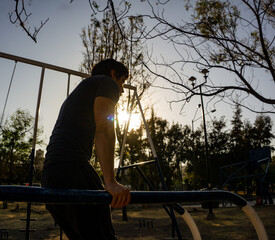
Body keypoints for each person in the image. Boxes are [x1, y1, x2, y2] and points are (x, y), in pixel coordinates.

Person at [41, 59, 131, 240]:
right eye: (122, 82)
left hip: (51, 174)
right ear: (113, 74)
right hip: (71, 169)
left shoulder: (82, 92)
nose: (121, 89)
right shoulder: (106, 83)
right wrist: (110, 182)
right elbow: (105, 128)